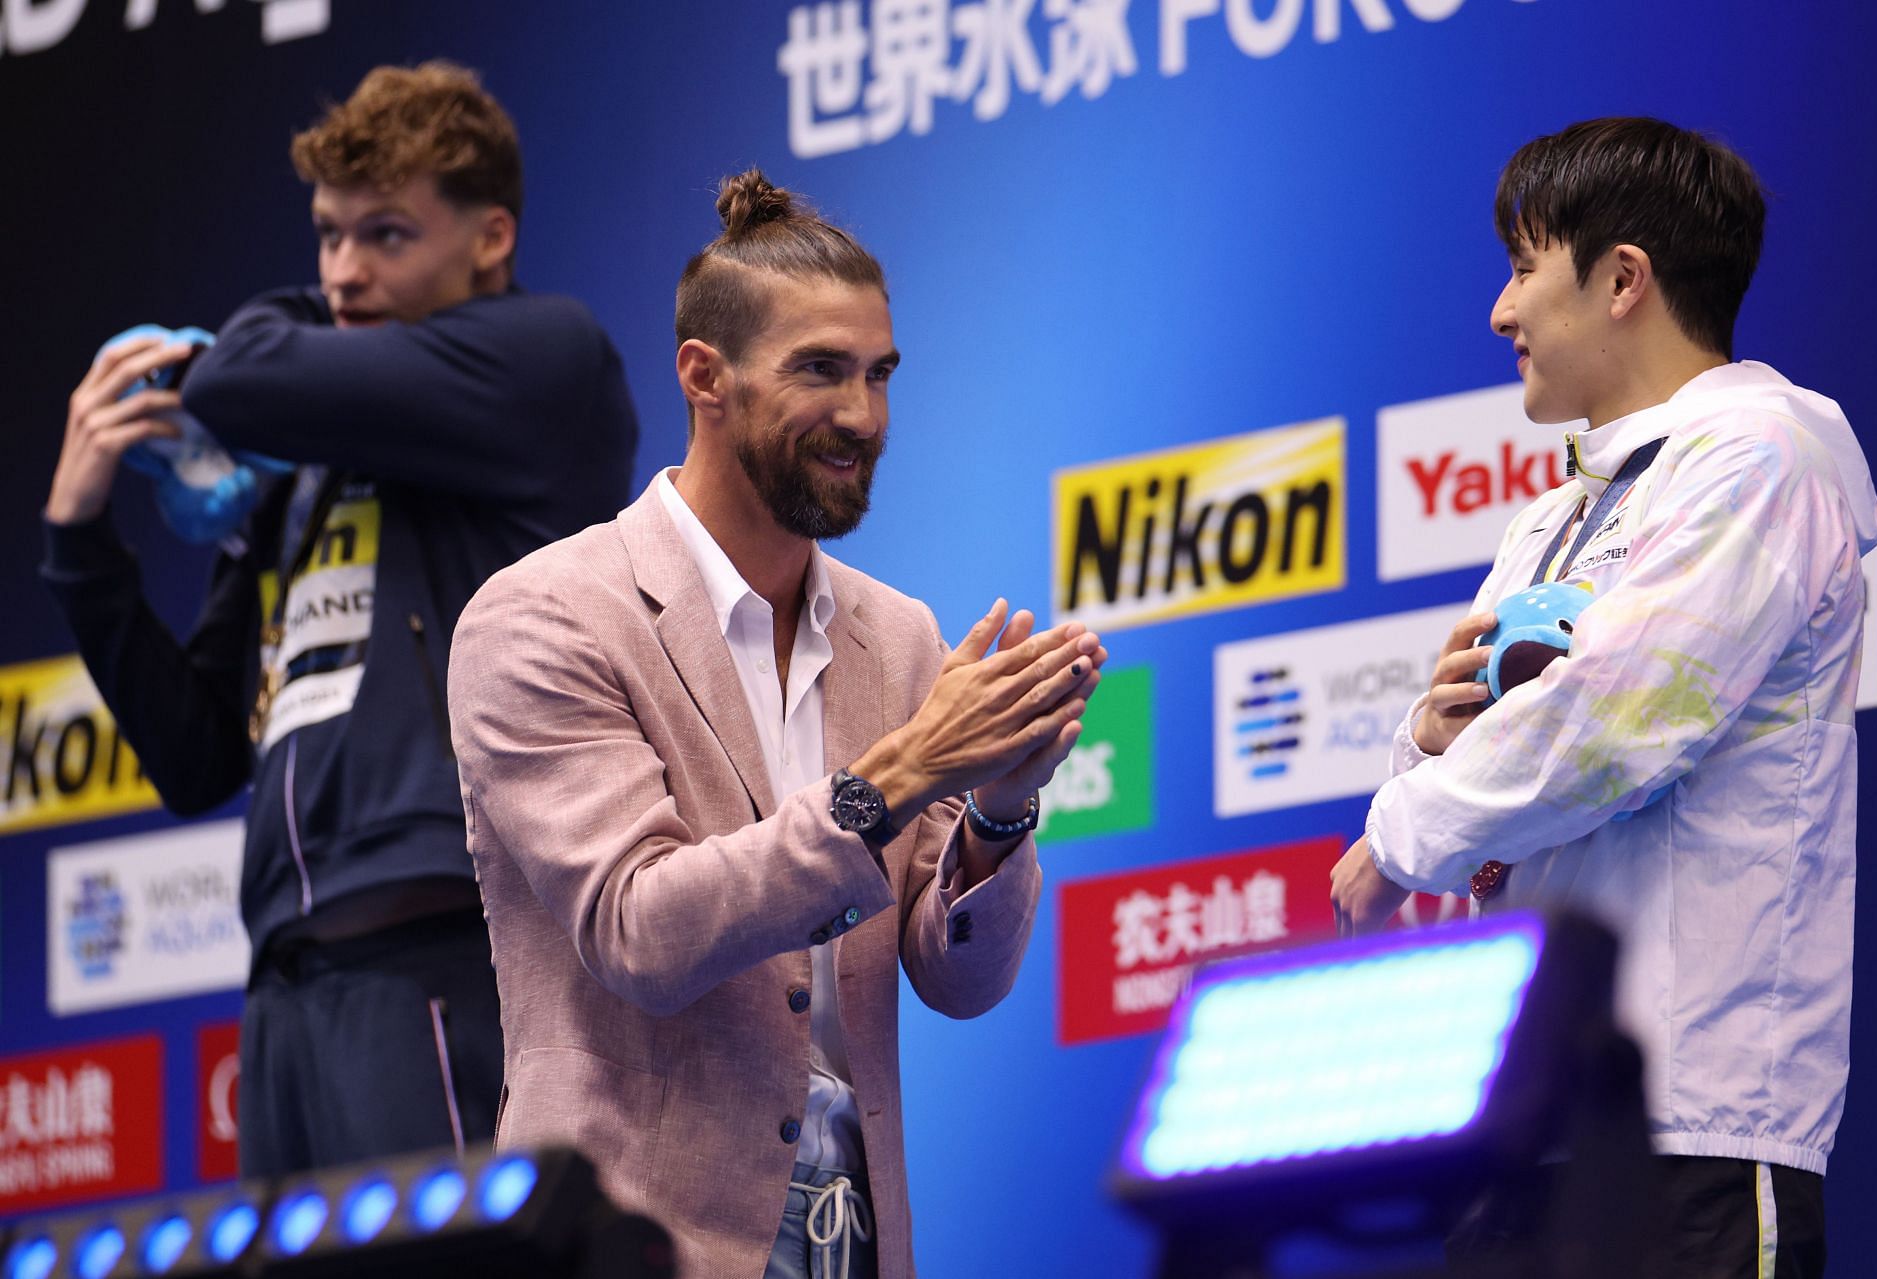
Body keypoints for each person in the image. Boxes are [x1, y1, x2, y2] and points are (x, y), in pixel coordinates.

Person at [448, 169, 1103, 1279]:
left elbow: (959, 980)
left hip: (860, 1237)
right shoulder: (545, 616)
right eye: (820, 371)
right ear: (704, 376)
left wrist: (1001, 805)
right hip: (626, 1243)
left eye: (879, 374)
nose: (864, 416)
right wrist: (902, 770)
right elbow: (641, 931)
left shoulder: (895, 636)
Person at [41, 62, 639, 1176]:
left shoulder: (547, 359)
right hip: (284, 992)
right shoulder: (299, 467)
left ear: (490, 239)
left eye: (387, 235)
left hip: (450, 951)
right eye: (326, 237)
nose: (345, 273)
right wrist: (82, 549)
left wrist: (258, 348)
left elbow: (242, 371)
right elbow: (197, 754)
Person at [1329, 117, 1877, 1277]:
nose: (1500, 309)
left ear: (1623, 278)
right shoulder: (1550, 516)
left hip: (1694, 1125)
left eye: (1525, 265)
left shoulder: (1761, 453)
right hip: (1520, 1121)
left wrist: (1396, 836)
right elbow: (1470, 760)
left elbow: (1616, 721)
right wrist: (1421, 744)